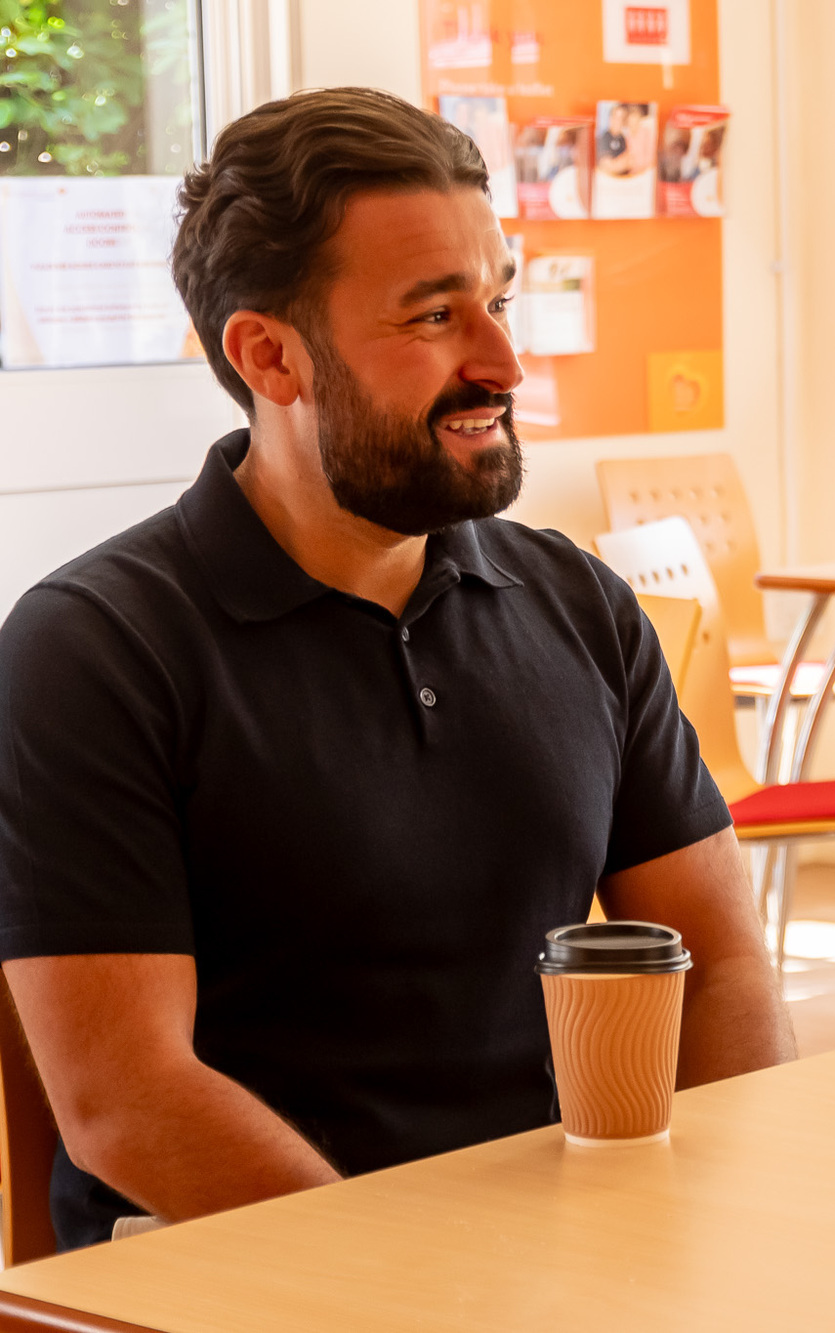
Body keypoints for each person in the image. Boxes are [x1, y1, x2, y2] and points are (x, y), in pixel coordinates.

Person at [0, 87, 794, 1251]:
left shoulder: (578, 604)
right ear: (270, 355)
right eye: (434, 317)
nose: (504, 362)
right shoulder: (93, 652)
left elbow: (717, 969)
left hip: (553, 1252)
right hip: (239, 1272)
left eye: (501, 301)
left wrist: (704, 1237)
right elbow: (128, 1105)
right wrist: (413, 1291)